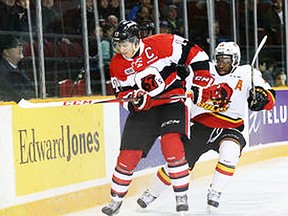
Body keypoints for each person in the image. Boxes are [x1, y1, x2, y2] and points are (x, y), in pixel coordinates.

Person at [136, 42, 276, 210]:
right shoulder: (203, 70)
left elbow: (268, 96)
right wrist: (179, 74)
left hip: (231, 126)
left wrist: (262, 98)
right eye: (219, 59)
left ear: (236, 60)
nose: (221, 64)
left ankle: (215, 191)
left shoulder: (247, 73)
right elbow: (179, 83)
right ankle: (151, 192)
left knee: (230, 154)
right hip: (201, 126)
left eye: (226, 60)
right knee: (179, 163)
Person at [101, 20, 214, 215]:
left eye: (124, 44)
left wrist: (200, 79)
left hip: (172, 103)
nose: (121, 49)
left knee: (171, 144)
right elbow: (121, 96)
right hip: (145, 110)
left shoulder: (161, 43)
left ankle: (181, 196)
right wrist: (135, 102)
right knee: (128, 157)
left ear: (136, 41)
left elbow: (195, 53)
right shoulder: (117, 64)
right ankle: (115, 200)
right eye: (117, 45)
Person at [0, 35, 35, 102]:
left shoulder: (22, 68)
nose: (21, 49)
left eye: (21, 46)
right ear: (6, 52)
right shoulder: (2, 72)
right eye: (16, 46)